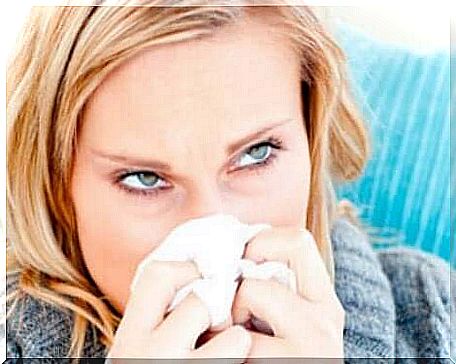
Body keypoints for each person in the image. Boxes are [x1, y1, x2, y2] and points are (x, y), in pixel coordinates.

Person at [5, 1, 454, 362]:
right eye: (144, 178)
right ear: (59, 188)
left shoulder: (435, 314)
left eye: (256, 155)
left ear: (312, 140)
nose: (216, 232)